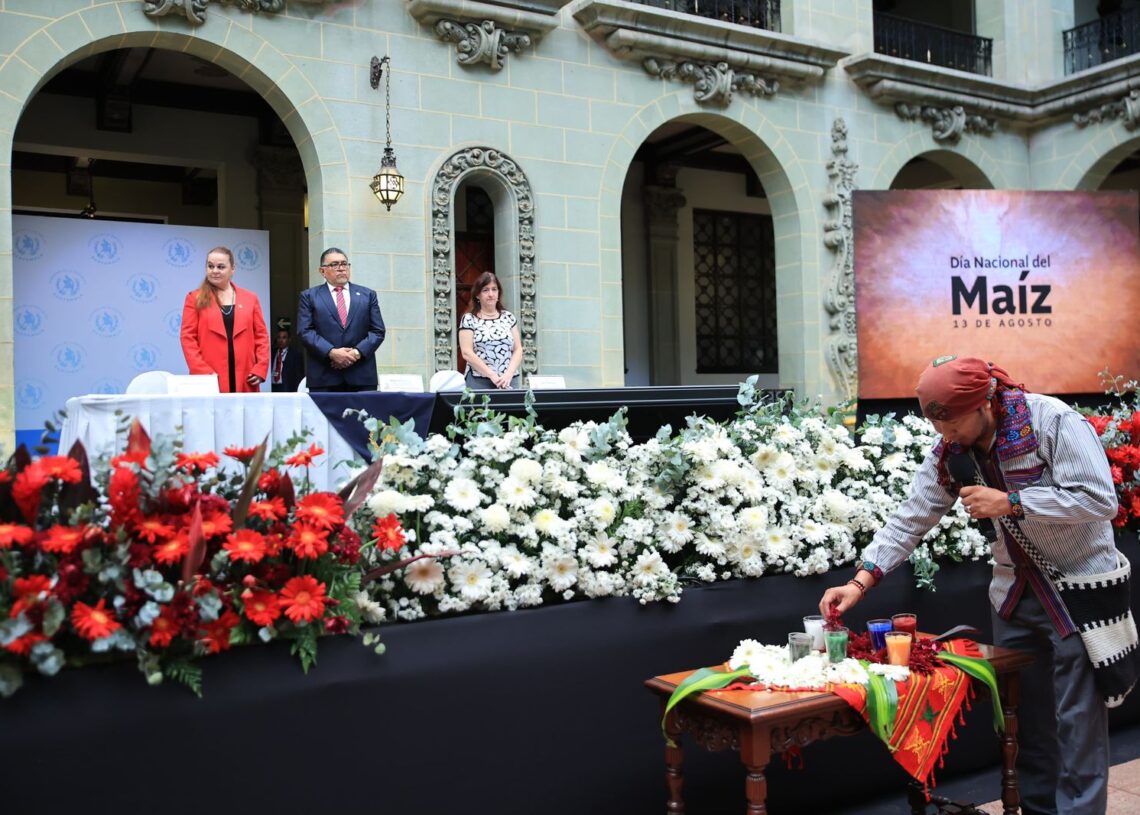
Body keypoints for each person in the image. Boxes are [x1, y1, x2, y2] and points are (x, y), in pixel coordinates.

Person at [820, 355, 1134, 815]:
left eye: (951, 422)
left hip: (1076, 591)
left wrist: (1011, 502)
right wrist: (860, 582)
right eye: (936, 424)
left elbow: (1099, 499)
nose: (944, 434)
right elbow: (911, 517)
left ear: (985, 403)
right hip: (1014, 596)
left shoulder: (1051, 422)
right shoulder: (952, 452)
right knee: (1025, 724)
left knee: (1078, 723)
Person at [180, 246, 269, 393]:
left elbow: (262, 337)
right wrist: (202, 372)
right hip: (210, 379)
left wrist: (260, 368)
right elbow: (188, 339)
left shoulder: (250, 298)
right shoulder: (194, 298)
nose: (214, 271)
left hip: (246, 378)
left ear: (232, 269)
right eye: (210, 266)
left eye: (221, 267)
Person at [295, 248, 385, 392]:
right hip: (324, 376)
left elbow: (378, 331)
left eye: (344, 264)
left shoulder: (368, 295)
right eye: (335, 264)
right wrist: (331, 352)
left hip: (361, 375)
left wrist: (355, 354)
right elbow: (305, 331)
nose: (341, 268)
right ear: (322, 271)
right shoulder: (309, 296)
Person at [458, 271, 523, 390]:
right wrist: (492, 375)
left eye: (494, 289)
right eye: (485, 290)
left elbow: (518, 349)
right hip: (479, 381)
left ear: (499, 293)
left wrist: (508, 374)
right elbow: (466, 352)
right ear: (477, 295)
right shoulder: (469, 319)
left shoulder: (508, 317)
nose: (491, 294)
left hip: (509, 381)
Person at [270, 327, 304, 392]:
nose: (281, 340)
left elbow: (299, 375)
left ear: (289, 340)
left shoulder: (295, 355)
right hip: (272, 387)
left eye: (284, 337)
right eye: (279, 337)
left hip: (287, 388)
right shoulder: (271, 353)